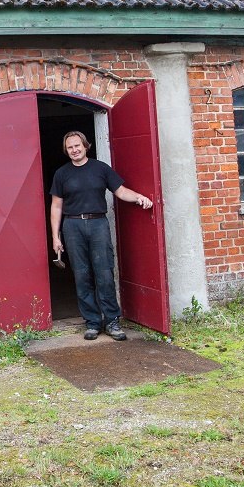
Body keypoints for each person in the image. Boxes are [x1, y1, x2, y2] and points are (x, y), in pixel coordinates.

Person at [49, 131, 153, 341]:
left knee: (104, 272)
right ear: (66, 150)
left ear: (85, 146)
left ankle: (112, 321)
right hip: (73, 225)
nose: (74, 150)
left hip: (98, 224)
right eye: (70, 147)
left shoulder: (100, 168)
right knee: (82, 274)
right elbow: (56, 206)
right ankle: (92, 322)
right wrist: (55, 237)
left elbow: (121, 191)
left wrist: (139, 197)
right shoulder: (62, 174)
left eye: (77, 146)